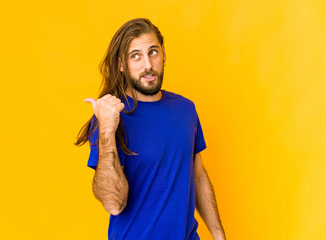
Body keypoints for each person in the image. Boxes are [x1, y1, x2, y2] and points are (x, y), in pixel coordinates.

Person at [75, 18, 226, 240]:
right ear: (121, 64)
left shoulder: (186, 109)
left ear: (163, 53)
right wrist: (107, 130)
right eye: (135, 56)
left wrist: (219, 235)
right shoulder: (110, 116)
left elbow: (198, 175)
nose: (147, 65)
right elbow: (114, 204)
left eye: (153, 52)